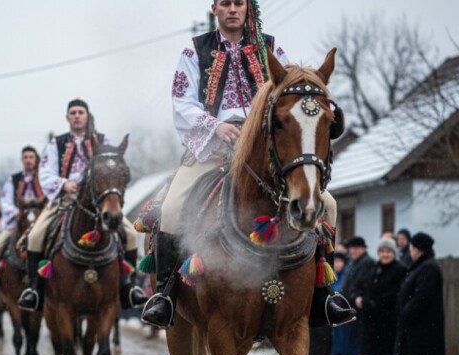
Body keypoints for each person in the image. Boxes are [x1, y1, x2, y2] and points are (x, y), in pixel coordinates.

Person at [141, 0, 354, 329]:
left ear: (247, 7)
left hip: (264, 150)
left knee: (327, 203)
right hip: (212, 151)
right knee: (171, 206)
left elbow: (292, 97)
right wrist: (216, 126)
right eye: (225, 3)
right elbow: (181, 102)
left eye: (238, 3)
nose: (232, 9)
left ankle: (324, 292)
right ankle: (166, 294)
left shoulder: (271, 48)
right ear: (214, 8)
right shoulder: (195, 51)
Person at [17, 99, 147, 312]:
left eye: (81, 112)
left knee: (131, 234)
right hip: (64, 199)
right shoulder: (55, 144)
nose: (77, 116)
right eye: (73, 113)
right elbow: (45, 173)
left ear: (87, 117)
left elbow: (114, 167)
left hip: (99, 202)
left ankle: (128, 289)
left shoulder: (104, 140)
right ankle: (35, 290)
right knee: (35, 236)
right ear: (67, 118)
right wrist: (63, 183)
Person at [0, 146, 46, 300]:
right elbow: (5, 201)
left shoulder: (44, 177)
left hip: (41, 221)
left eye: (31, 157)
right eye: (25, 157)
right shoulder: (13, 179)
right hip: (17, 222)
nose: (28, 160)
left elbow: (51, 196)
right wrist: (17, 213)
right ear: (22, 160)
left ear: (36, 160)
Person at [396, 232, 446, 355]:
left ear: (418, 249)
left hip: (426, 323)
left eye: (411, 248)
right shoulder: (421, 265)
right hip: (420, 323)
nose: (410, 251)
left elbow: (422, 296)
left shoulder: (428, 268)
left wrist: (407, 311)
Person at [361, 238, 407, 355]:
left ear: (393, 253)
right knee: (379, 347)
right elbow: (369, 287)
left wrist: (376, 301)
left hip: (391, 315)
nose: (385, 254)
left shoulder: (399, 269)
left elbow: (396, 292)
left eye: (388, 251)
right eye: (382, 251)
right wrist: (367, 300)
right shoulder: (376, 268)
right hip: (376, 316)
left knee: (390, 348)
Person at [330, 236, 373, 355]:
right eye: (351, 249)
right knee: (349, 338)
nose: (353, 251)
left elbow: (362, 283)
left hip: (358, 305)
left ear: (362, 248)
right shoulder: (354, 262)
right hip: (349, 304)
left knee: (356, 340)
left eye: (356, 248)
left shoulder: (366, 263)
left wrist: (354, 295)